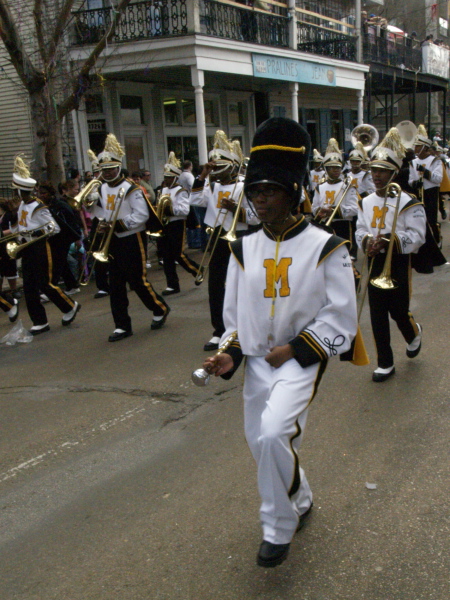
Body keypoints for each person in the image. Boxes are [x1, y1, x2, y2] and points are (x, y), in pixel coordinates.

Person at [203, 117, 357, 568]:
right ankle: (302, 496)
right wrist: (228, 354)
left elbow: (341, 317)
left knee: (274, 433)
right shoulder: (241, 248)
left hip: (301, 358)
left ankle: (277, 526)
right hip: (256, 359)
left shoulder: (327, 246)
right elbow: (233, 319)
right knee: (262, 444)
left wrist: (295, 349)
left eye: (269, 190)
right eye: (254, 191)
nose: (259, 199)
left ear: (292, 192)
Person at [356, 128, 426, 382]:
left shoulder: (409, 202)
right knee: (376, 314)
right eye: (373, 170)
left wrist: (388, 240)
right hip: (375, 259)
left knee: (398, 310)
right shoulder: (365, 201)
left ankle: (413, 333)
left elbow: (418, 236)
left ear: (394, 173)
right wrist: (366, 242)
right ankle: (385, 362)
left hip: (397, 259)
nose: (376, 175)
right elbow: (360, 229)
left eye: (382, 171)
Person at [89, 133, 170, 341]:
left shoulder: (132, 189)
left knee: (137, 281)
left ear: (118, 167)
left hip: (132, 239)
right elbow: (100, 211)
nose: (107, 173)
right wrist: (101, 224)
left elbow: (141, 215)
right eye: (104, 170)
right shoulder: (103, 188)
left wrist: (117, 224)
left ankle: (160, 308)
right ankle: (122, 325)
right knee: (115, 284)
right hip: (113, 240)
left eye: (111, 169)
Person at [190, 131, 259, 351]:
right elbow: (194, 200)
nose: (217, 170)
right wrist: (202, 175)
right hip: (218, 238)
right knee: (216, 285)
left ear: (234, 165)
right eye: (215, 166)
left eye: (222, 166)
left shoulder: (245, 186)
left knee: (245, 285)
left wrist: (236, 212)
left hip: (241, 238)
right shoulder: (211, 185)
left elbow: (257, 216)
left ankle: (248, 327)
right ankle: (219, 330)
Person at [9, 155, 80, 335]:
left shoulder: (38, 207)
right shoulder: (23, 206)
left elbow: (53, 228)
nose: (14, 193)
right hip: (27, 248)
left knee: (45, 283)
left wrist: (31, 233)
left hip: (40, 247)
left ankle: (70, 306)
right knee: (29, 287)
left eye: (16, 190)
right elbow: (21, 225)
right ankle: (40, 321)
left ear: (21, 191)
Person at [158, 152, 201, 295]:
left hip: (177, 224)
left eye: (169, 177)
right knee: (166, 256)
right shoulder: (163, 189)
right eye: (165, 177)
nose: (167, 179)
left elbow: (184, 210)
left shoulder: (180, 191)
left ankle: (197, 271)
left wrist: (169, 210)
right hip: (165, 225)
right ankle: (172, 285)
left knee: (178, 254)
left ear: (175, 177)